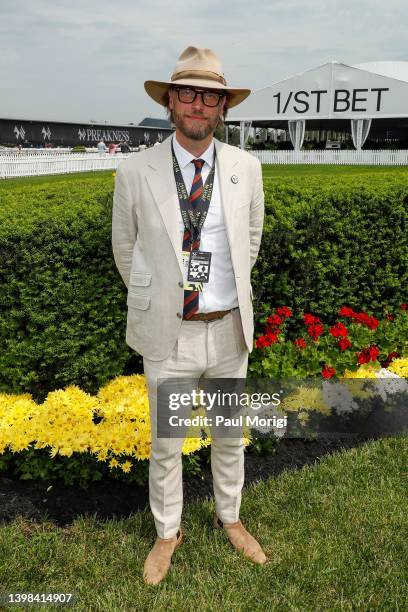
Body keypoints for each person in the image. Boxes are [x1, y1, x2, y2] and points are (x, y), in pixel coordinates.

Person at [112, 46, 265, 585]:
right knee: (167, 443)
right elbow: (125, 249)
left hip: (227, 331)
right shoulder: (136, 169)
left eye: (210, 95)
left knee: (228, 435)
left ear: (222, 105)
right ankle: (166, 532)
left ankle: (231, 517)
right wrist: (161, 298)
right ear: (171, 101)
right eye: (188, 93)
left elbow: (250, 241)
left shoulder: (247, 167)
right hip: (170, 336)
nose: (198, 104)